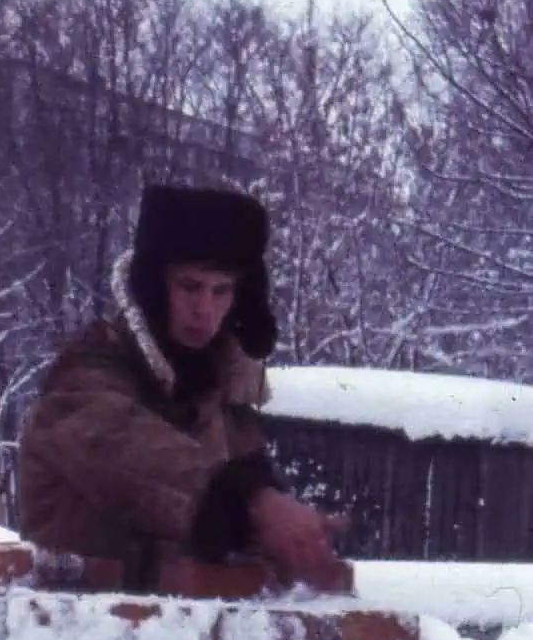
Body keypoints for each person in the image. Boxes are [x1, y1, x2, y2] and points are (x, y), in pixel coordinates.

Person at [17, 184, 344, 587]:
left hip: (175, 635)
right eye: (190, 286)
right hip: (71, 631)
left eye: (221, 290)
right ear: (155, 286)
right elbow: (136, 456)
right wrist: (254, 502)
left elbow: (243, 529)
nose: (204, 309)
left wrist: (294, 549)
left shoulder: (226, 401)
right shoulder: (86, 376)